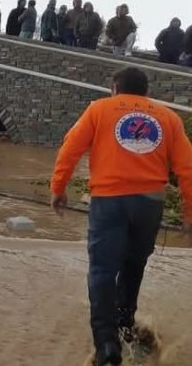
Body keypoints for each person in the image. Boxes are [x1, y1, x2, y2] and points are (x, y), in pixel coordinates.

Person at [50, 67, 192, 366]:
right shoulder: (168, 118)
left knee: (102, 270)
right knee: (133, 263)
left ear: (115, 88)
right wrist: (190, 215)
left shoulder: (99, 110)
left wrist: (59, 189)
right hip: (150, 203)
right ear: (146, 93)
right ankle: (125, 324)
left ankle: (106, 345)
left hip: (108, 199)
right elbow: (188, 170)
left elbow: (70, 149)